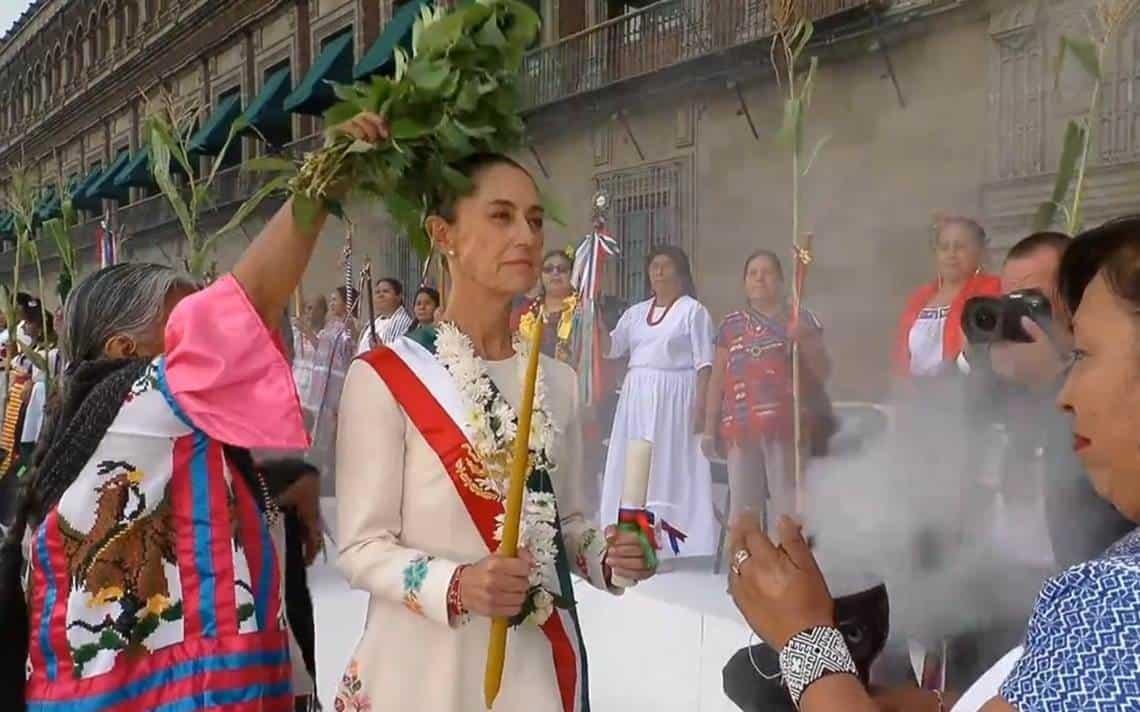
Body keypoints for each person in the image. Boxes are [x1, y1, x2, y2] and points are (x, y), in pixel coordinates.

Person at [0, 112, 388, 710]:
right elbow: (249, 303)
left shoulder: (104, 424)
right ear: (124, 349)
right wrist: (322, 179)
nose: (205, 338)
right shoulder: (134, 401)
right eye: (181, 325)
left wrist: (289, 483)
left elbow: (197, 496)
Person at [726, 215, 1140, 712]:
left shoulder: (1116, 601)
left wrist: (805, 644)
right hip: (977, 622)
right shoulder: (976, 398)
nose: (1069, 394)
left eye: (1083, 355)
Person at [334, 150, 656, 712]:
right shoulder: (385, 377)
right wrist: (458, 584)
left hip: (531, 672)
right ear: (444, 234)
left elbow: (566, 522)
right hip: (422, 671)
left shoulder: (557, 380)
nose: (527, 236)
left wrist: (608, 555)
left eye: (534, 219)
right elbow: (362, 548)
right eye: (501, 216)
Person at [598, 245, 718, 559]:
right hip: (636, 396)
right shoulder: (635, 313)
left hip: (677, 398)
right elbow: (611, 348)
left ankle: (669, 545)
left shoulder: (693, 311)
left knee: (668, 467)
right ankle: (628, 538)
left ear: (681, 273)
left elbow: (705, 364)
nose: (659, 271)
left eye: (666, 266)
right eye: (654, 266)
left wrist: (702, 409)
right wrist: (589, 315)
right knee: (633, 465)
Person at [703, 250, 832, 533]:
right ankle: (746, 573)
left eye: (767, 272)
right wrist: (709, 428)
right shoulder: (731, 325)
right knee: (743, 512)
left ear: (781, 280)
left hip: (786, 429)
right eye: (753, 273)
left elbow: (823, 371)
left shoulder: (802, 320)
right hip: (740, 428)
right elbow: (717, 379)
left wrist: (805, 339)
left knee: (789, 509)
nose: (760, 278)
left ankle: (790, 571)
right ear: (744, 282)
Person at [894, 216, 1001, 380]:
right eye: (944, 247)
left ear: (979, 251)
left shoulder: (992, 289)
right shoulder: (919, 298)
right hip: (917, 398)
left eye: (960, 247)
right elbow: (901, 357)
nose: (951, 254)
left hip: (967, 393)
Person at [306, 286, 355, 493]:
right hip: (320, 387)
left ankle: (331, 479)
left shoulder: (348, 328)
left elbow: (347, 354)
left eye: (337, 299)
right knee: (318, 433)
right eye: (332, 299)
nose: (332, 303)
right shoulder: (330, 326)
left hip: (336, 388)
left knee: (333, 435)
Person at [512, 249, 581, 365]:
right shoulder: (525, 312)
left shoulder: (582, 311)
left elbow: (604, 350)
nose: (555, 273)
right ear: (541, 276)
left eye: (562, 269)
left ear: (572, 275)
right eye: (548, 269)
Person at [293, 294, 327, 423]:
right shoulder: (297, 333)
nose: (308, 312)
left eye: (312, 308)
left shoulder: (327, 334)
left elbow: (325, 354)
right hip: (297, 384)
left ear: (322, 311)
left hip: (315, 387)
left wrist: (307, 331)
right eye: (307, 308)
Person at [356, 277, 414, 353]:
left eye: (386, 291)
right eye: (377, 292)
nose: (380, 295)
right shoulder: (374, 321)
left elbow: (396, 354)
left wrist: (379, 349)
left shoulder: (403, 322)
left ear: (399, 297)